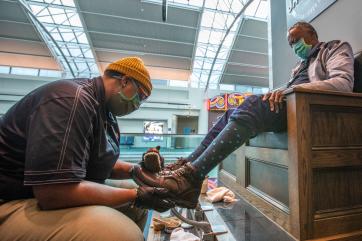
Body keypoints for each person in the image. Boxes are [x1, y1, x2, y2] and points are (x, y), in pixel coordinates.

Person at [133, 21, 355, 209]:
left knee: (250, 103)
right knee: (231, 111)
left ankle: (190, 179)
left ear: (312, 35)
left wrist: (288, 91)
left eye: (296, 40)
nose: (294, 46)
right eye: (290, 44)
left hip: (308, 111)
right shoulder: (299, 67)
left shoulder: (334, 48)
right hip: (292, 105)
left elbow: (343, 84)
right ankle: (185, 167)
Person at [0, 57, 175, 241]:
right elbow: (54, 192)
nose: (138, 105)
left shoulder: (104, 112)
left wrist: (135, 171)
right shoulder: (72, 100)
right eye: (140, 96)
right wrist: (135, 195)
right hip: (12, 199)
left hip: (39, 194)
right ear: (124, 81)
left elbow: (96, 164)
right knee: (122, 233)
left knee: (136, 207)